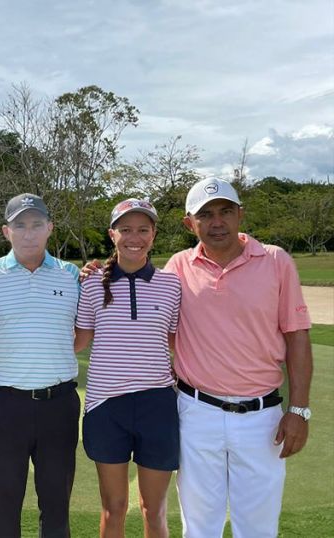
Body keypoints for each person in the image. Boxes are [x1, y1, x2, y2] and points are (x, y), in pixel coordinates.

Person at [165, 178, 312, 537]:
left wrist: (299, 409)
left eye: (226, 212)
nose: (218, 222)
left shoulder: (276, 260)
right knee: (199, 527)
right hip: (196, 414)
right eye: (207, 215)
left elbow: (297, 337)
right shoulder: (178, 267)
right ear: (190, 224)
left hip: (262, 419)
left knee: (259, 529)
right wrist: (99, 270)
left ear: (240, 215)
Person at [0, 193, 81, 538]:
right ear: (7, 231)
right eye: (20, 225)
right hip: (6, 405)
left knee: (56, 503)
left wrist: (50, 354)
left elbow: (78, 335)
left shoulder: (71, 275)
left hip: (59, 404)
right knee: (3, 503)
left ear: (50, 228)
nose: (29, 233)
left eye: (36, 224)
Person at [73, 199, 181, 538]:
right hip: (107, 408)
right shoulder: (90, 283)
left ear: (154, 234)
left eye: (143, 230)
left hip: (158, 405)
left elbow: (178, 345)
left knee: (154, 510)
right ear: (112, 234)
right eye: (126, 229)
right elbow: (79, 341)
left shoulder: (172, 285)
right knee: (114, 508)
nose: (135, 237)